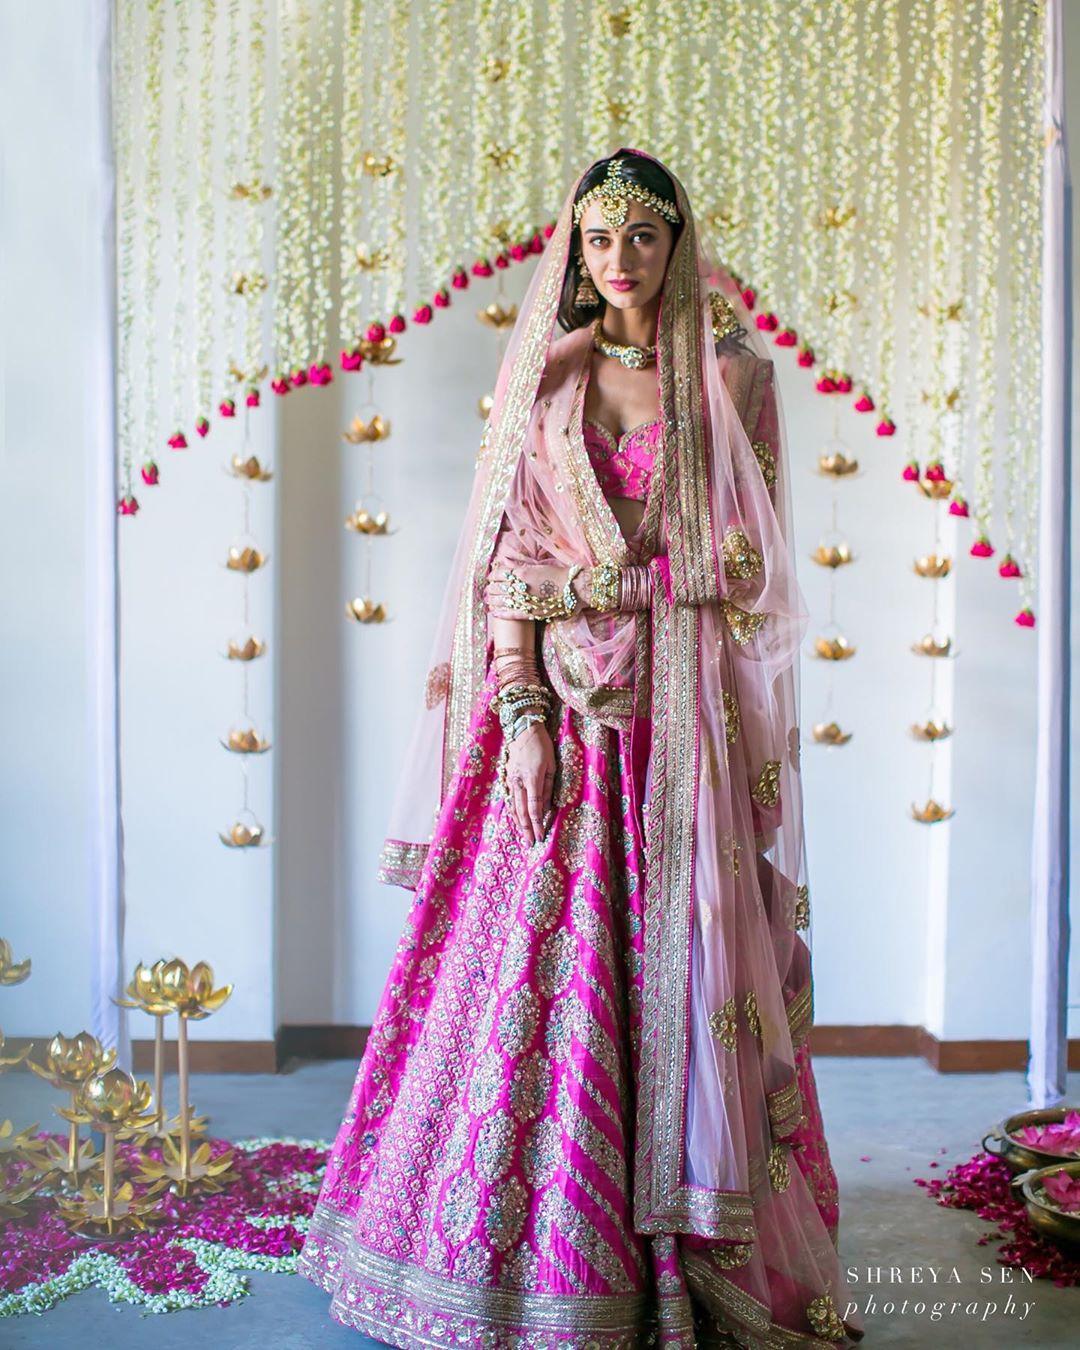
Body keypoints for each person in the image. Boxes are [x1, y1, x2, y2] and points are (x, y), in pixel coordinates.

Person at [298, 148, 865, 1348]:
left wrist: (610, 580)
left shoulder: (732, 378)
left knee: (689, 972)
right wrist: (519, 716)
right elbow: (508, 565)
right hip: (566, 720)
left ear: (678, 243)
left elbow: (752, 572)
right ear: (575, 249)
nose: (620, 261)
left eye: (643, 238)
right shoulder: (541, 381)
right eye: (599, 241)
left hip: (682, 734)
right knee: (542, 986)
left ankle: (686, 1260)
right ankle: (538, 1253)